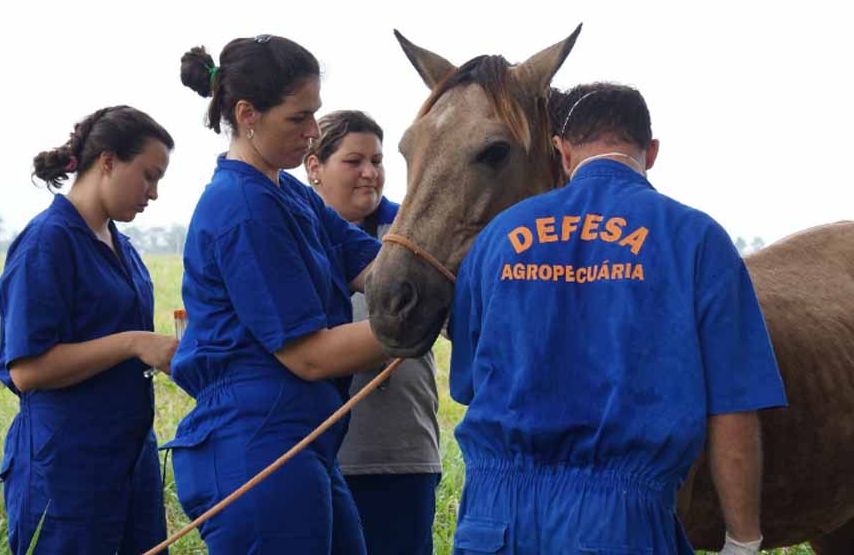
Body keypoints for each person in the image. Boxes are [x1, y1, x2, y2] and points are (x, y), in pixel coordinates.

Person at [447, 83, 788, 555]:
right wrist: (742, 539)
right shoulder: (695, 238)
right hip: (616, 527)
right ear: (650, 151)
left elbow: (468, 384)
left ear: (562, 153)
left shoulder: (497, 237)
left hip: (492, 521)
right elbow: (732, 406)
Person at [166, 36, 387, 555]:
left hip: (304, 439)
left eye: (315, 114)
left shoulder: (289, 195)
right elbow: (309, 355)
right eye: (298, 118)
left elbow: (373, 266)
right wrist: (410, 327)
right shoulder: (243, 208)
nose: (313, 132)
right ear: (247, 114)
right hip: (257, 441)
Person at [0, 105, 179, 554]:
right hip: (67, 469)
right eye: (148, 176)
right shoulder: (48, 241)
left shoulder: (122, 244)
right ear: (109, 161)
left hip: (131, 459)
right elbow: (27, 370)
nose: (153, 193)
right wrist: (133, 344)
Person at [305, 110, 441, 555]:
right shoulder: (292, 235)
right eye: (353, 161)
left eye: (377, 161)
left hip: (401, 451)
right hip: (315, 451)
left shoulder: (413, 231)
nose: (369, 173)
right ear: (314, 167)